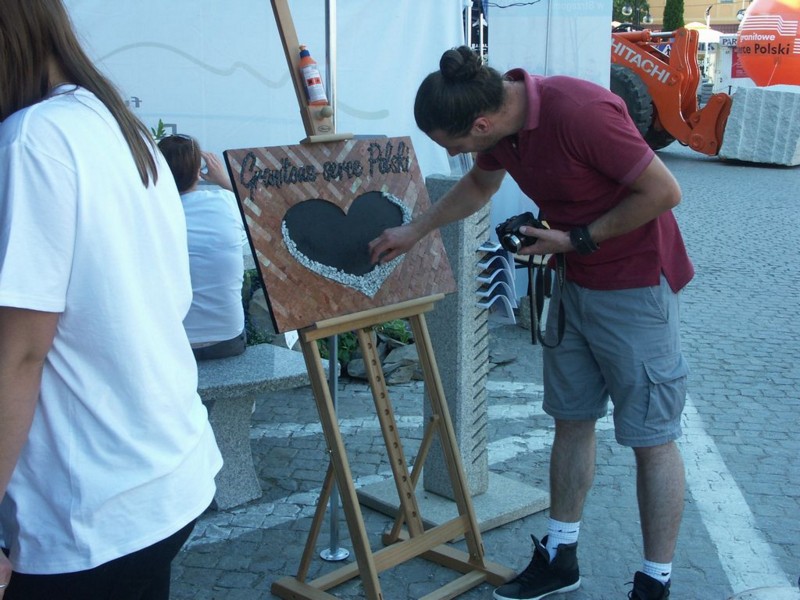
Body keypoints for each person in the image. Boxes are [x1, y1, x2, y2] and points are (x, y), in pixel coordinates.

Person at [369, 46, 693, 600]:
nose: (452, 154)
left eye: (454, 144)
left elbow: (666, 191)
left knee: (651, 438)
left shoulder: (580, 111)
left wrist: (576, 238)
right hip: (574, 282)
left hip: (635, 285)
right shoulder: (502, 128)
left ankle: (654, 582)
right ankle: (561, 557)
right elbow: (479, 186)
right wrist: (415, 230)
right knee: (571, 420)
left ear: (481, 124)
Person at [0, 2, 223, 599]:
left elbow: (19, 354)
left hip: (85, 510)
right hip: (165, 472)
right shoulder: (120, 125)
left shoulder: (32, 139)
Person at [158, 134, 248, 361]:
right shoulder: (227, 202)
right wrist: (224, 180)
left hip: (173, 343)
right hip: (228, 339)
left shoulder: (151, 213)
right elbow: (260, 211)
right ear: (199, 170)